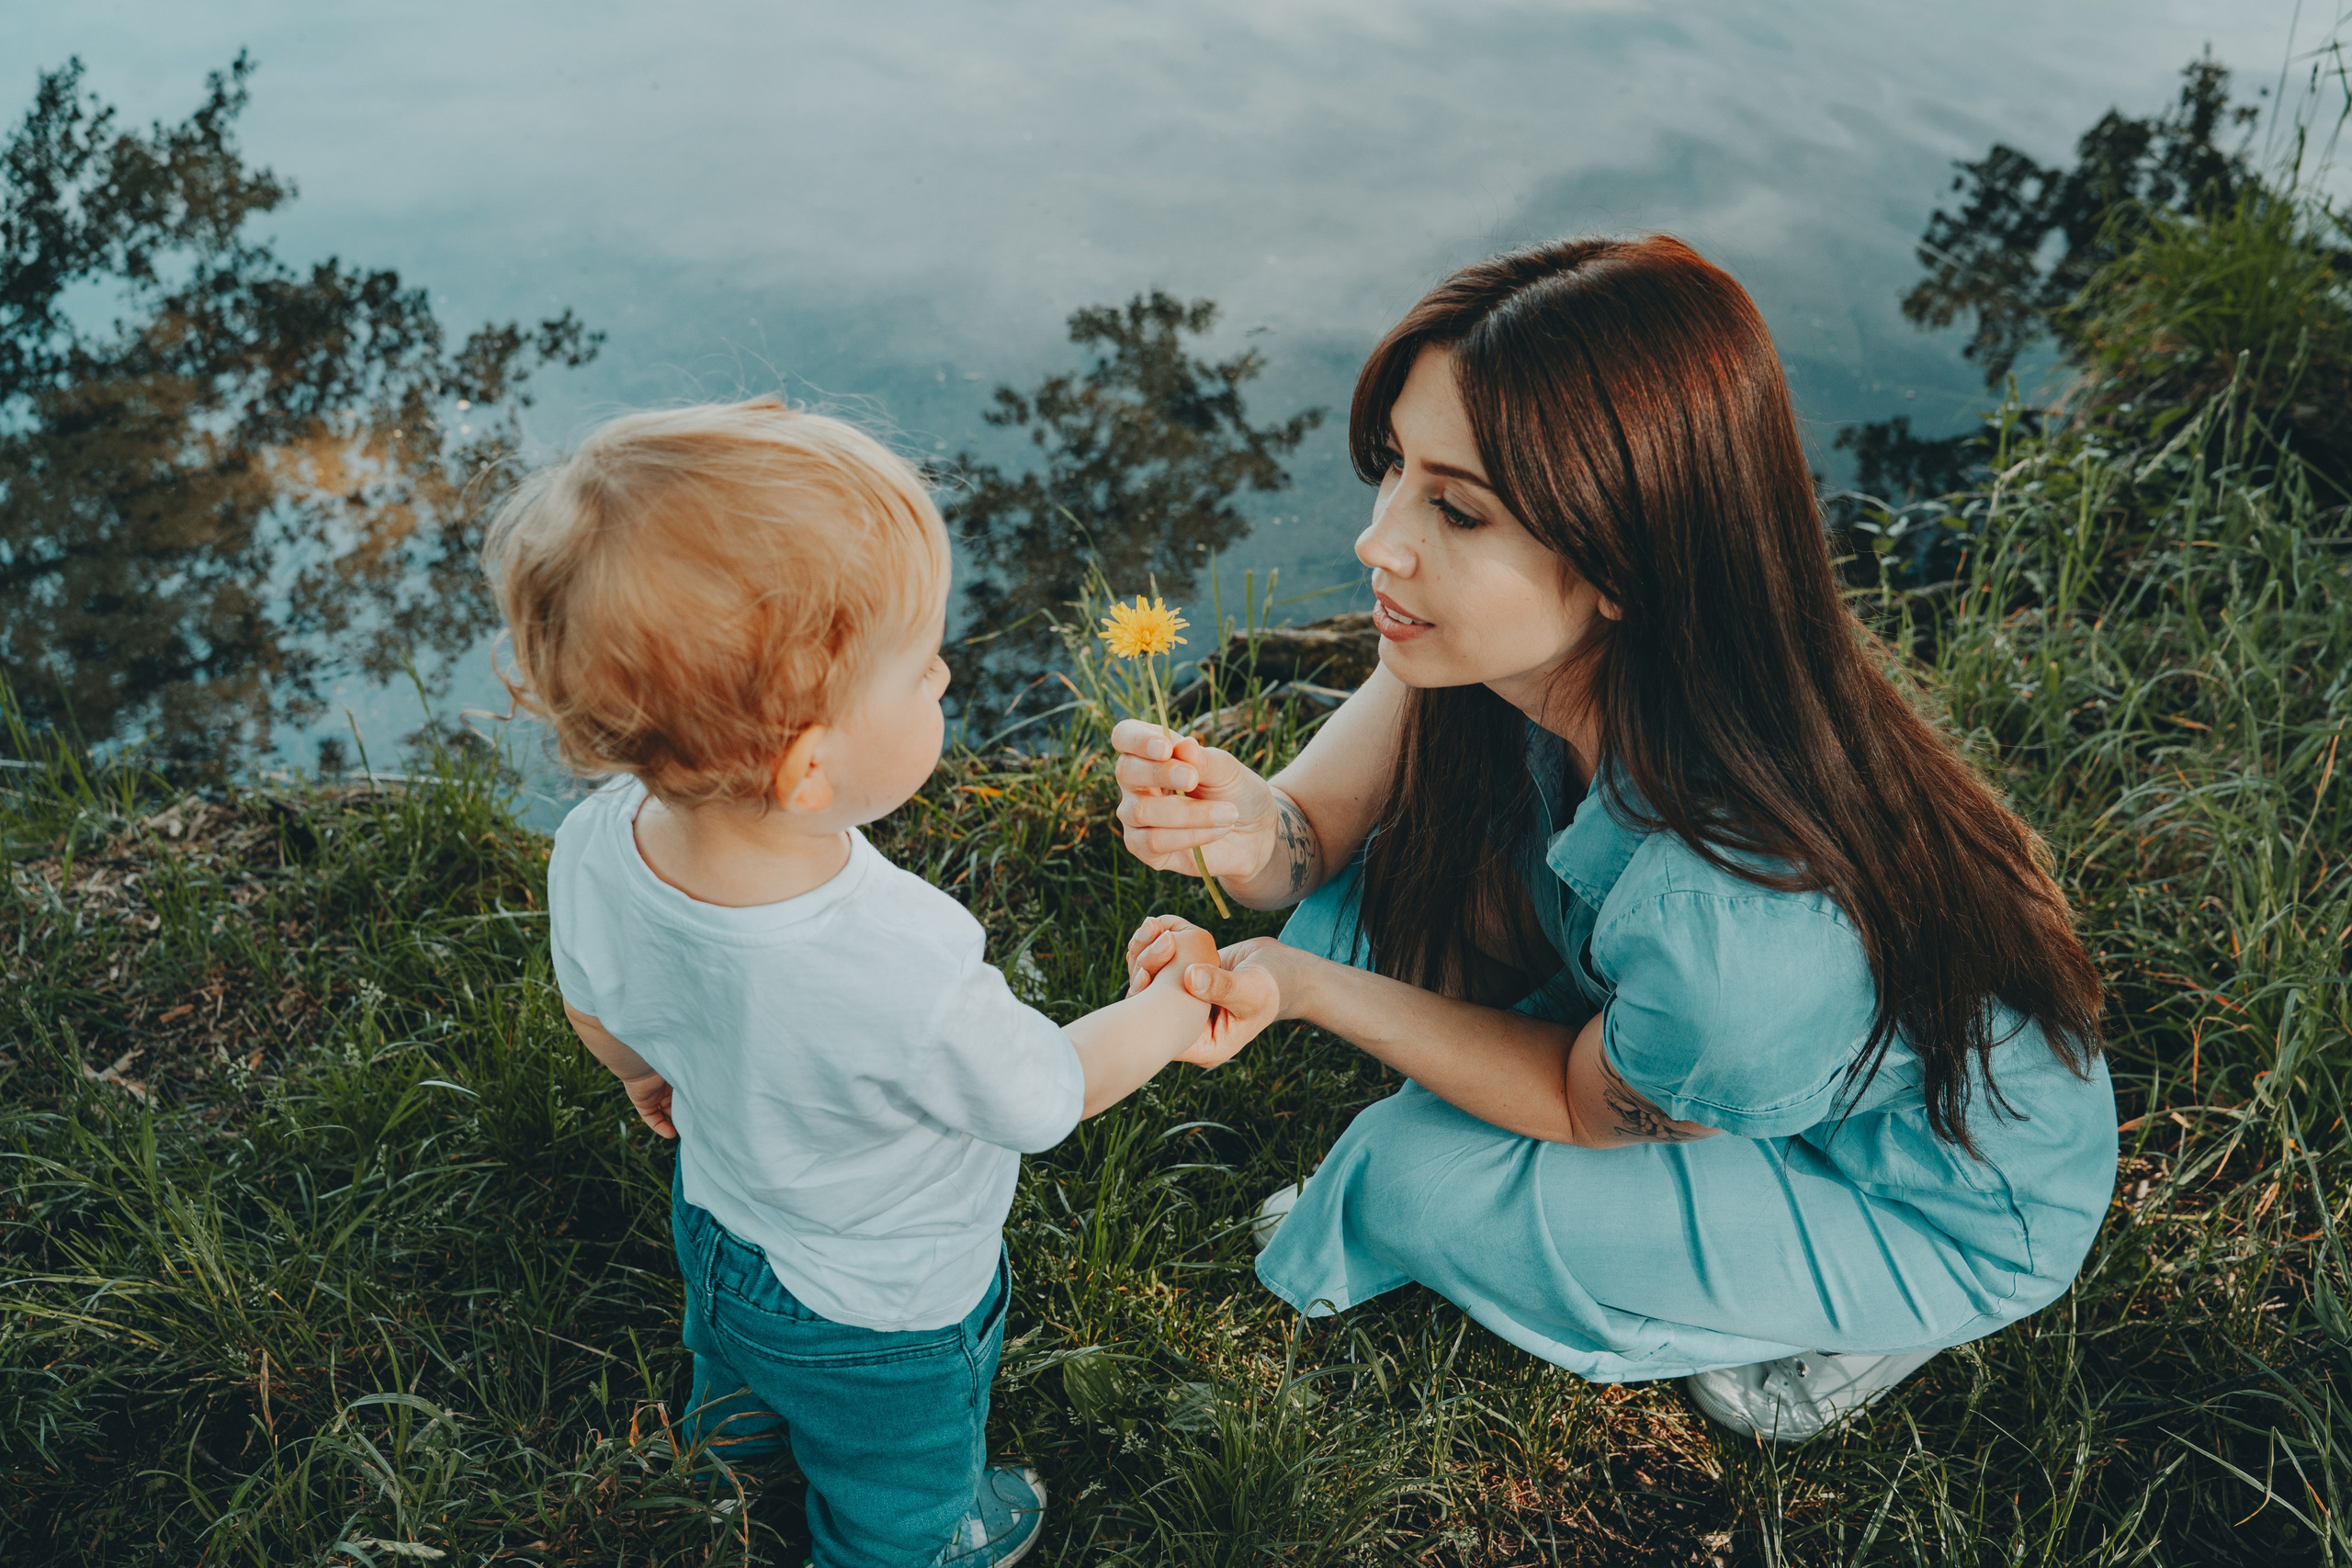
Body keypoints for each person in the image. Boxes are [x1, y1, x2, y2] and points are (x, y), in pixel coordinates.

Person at [1114, 235, 2119, 1443]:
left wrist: (1304, 986)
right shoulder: (1496, 645)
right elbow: (1309, 840)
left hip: (1921, 1189)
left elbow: (1578, 1100)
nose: (1380, 540)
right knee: (1394, 899)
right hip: (1748, 1041)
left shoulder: (1746, 920)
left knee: (1415, 1175)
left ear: (1623, 555)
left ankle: (1869, 1312)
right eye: (1395, 467)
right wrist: (1237, 821)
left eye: (1456, 506)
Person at [483, 400, 1232, 1566]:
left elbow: (596, 1004)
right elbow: (1040, 1095)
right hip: (886, 1310)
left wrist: (640, 1074)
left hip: (722, 1223)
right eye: (922, 667)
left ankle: (723, 1469)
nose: (944, 671)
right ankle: (924, 1541)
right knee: (898, 1482)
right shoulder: (897, 953)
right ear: (811, 767)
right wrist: (1169, 1010)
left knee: (731, 1371)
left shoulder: (599, 839)